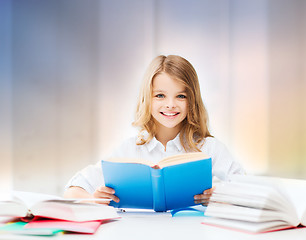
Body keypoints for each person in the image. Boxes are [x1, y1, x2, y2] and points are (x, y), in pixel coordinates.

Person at [64, 55, 244, 206]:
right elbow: (72, 191)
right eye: (160, 95)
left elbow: (248, 191)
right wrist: (93, 201)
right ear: (147, 99)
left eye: (181, 96)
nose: (170, 104)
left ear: (193, 101)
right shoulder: (129, 150)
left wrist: (221, 197)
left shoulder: (209, 148)